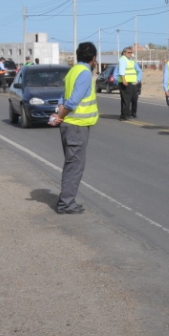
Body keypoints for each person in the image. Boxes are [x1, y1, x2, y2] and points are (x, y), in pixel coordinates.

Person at [50, 42, 99, 214]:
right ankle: (66, 204)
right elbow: (72, 101)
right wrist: (60, 116)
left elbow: (63, 97)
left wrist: (58, 115)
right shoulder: (85, 73)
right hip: (76, 126)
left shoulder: (73, 71)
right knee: (75, 165)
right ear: (93, 58)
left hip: (70, 125)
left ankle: (66, 200)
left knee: (72, 163)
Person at [117, 46, 143, 120]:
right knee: (126, 99)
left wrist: (137, 80)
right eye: (128, 52)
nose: (130, 54)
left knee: (134, 98)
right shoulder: (123, 60)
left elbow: (138, 71)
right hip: (125, 82)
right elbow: (122, 71)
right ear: (124, 53)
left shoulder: (131, 61)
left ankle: (131, 113)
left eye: (131, 52)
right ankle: (124, 115)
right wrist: (124, 80)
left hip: (132, 83)